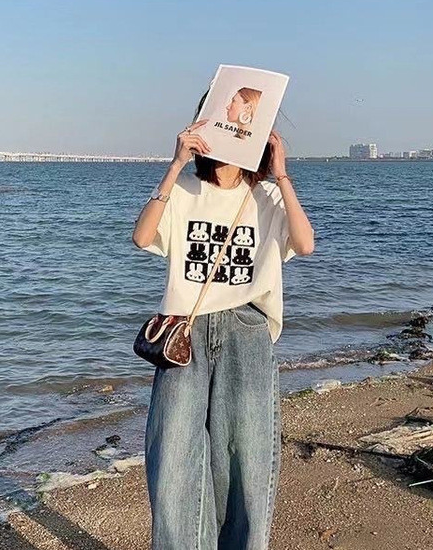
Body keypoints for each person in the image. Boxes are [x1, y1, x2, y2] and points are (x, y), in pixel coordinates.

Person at [132, 91, 315, 550]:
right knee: (173, 456)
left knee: (246, 458)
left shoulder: (267, 196)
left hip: (247, 330)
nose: (239, 122)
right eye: (231, 110)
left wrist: (281, 174)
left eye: (250, 115)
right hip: (185, 333)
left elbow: (305, 244)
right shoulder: (184, 190)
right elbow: (142, 236)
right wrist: (175, 164)